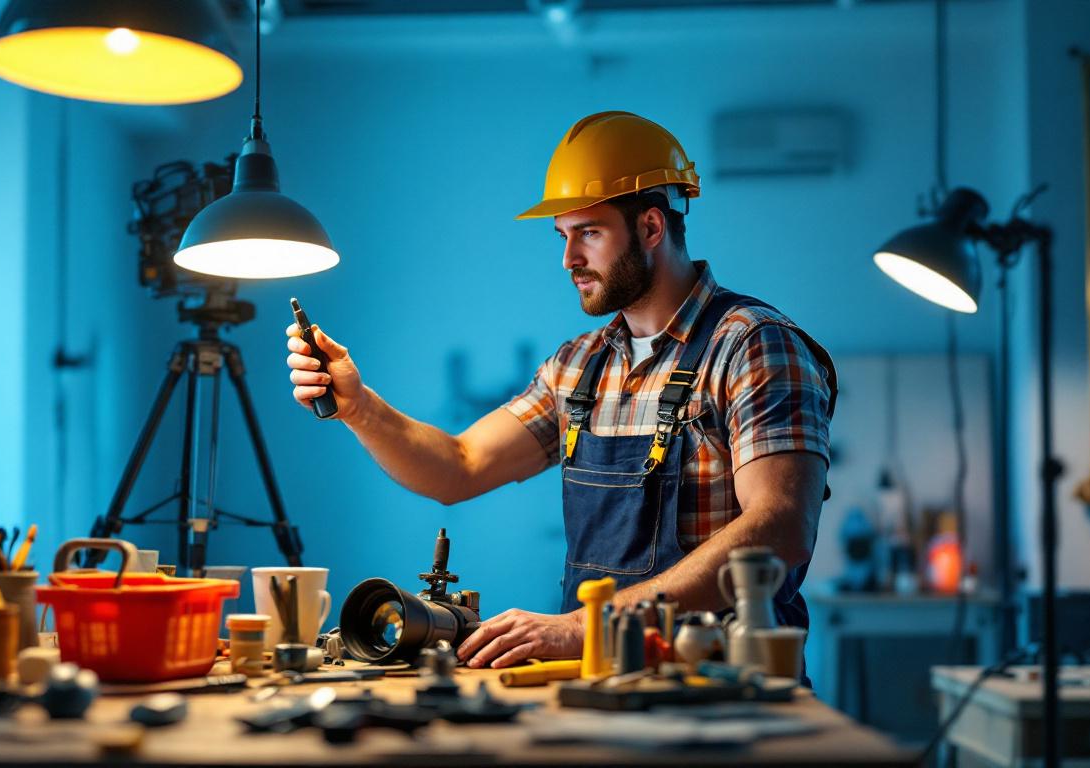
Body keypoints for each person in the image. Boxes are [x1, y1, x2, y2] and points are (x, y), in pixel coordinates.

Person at [284, 111, 837, 670]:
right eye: (563, 236)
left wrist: (584, 626)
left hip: (725, 692)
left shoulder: (753, 346)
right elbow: (459, 466)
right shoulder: (579, 367)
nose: (569, 259)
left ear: (651, 227)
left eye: (588, 233)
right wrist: (359, 408)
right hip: (597, 684)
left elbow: (780, 527)